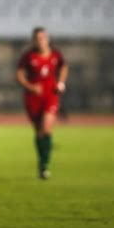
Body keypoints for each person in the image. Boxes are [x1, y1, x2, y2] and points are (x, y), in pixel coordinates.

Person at [16, 27, 69, 179]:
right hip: (33, 98)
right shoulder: (29, 56)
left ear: (47, 39)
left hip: (50, 95)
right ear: (34, 40)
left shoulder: (55, 54)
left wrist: (61, 82)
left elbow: (64, 67)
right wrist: (31, 87)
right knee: (39, 131)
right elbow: (19, 74)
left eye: (43, 38)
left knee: (46, 127)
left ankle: (45, 164)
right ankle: (42, 163)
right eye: (38, 38)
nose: (41, 41)